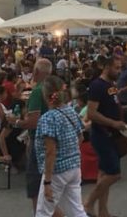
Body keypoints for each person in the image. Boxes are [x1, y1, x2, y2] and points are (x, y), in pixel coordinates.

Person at [34, 76, 86, 217]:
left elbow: (51, 151)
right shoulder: (70, 111)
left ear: (45, 95)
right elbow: (81, 136)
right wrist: (70, 151)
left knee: (43, 212)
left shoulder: (48, 118)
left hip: (57, 171)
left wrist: (47, 182)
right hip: (74, 166)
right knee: (76, 210)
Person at [84, 55, 127, 217]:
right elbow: (91, 113)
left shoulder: (112, 85)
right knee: (114, 173)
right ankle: (88, 203)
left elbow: (114, 106)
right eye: (116, 68)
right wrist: (113, 123)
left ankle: (103, 212)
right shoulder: (97, 85)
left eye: (120, 68)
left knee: (103, 173)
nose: (119, 71)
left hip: (112, 134)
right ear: (106, 67)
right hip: (102, 134)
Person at [21, 58, 52, 211]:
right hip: (53, 140)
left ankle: (39, 214)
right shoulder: (54, 89)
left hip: (39, 140)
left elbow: (33, 121)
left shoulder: (37, 91)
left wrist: (17, 122)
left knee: (35, 182)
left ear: (36, 72)